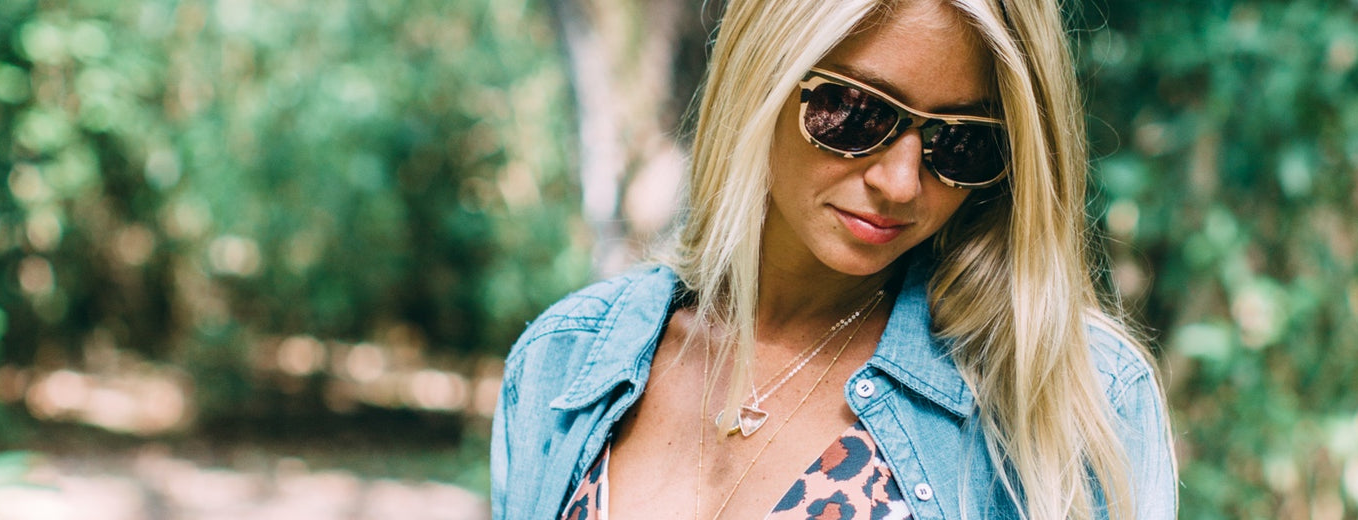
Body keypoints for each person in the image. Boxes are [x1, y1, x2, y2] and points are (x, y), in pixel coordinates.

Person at [490, 0, 1176, 518]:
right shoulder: (566, 360)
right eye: (855, 113)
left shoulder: (1069, 397)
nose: (900, 184)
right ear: (761, 77)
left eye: (961, 143)